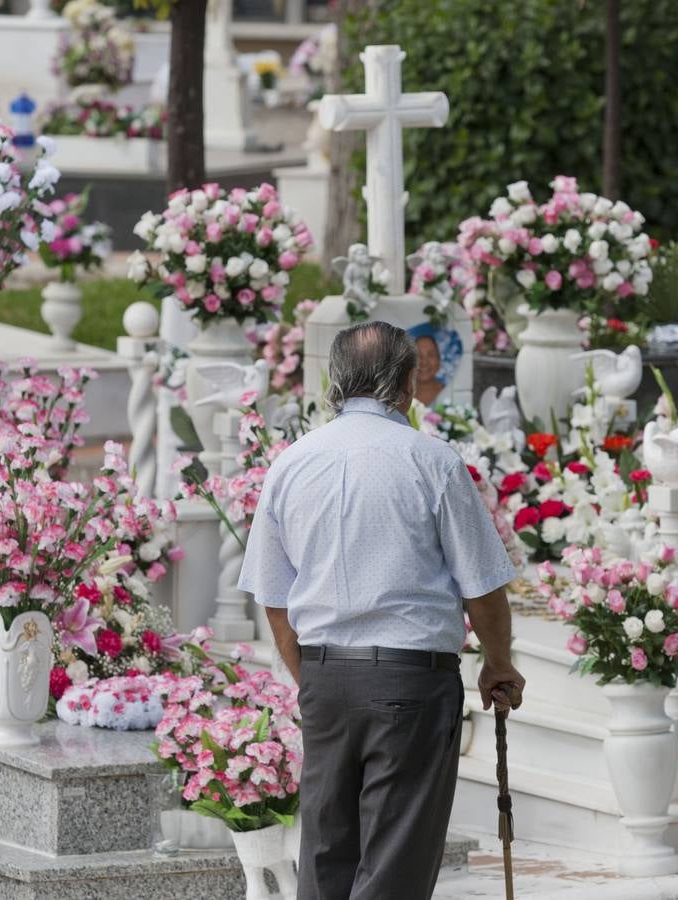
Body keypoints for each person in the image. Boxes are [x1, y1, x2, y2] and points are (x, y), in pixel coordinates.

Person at [239, 321, 525, 900]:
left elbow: (274, 600)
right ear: (407, 382)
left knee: (325, 853)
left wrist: (312, 679)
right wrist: (499, 664)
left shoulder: (292, 462)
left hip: (325, 676)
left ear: (335, 383)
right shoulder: (432, 461)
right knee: (394, 863)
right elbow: (485, 588)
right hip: (409, 680)